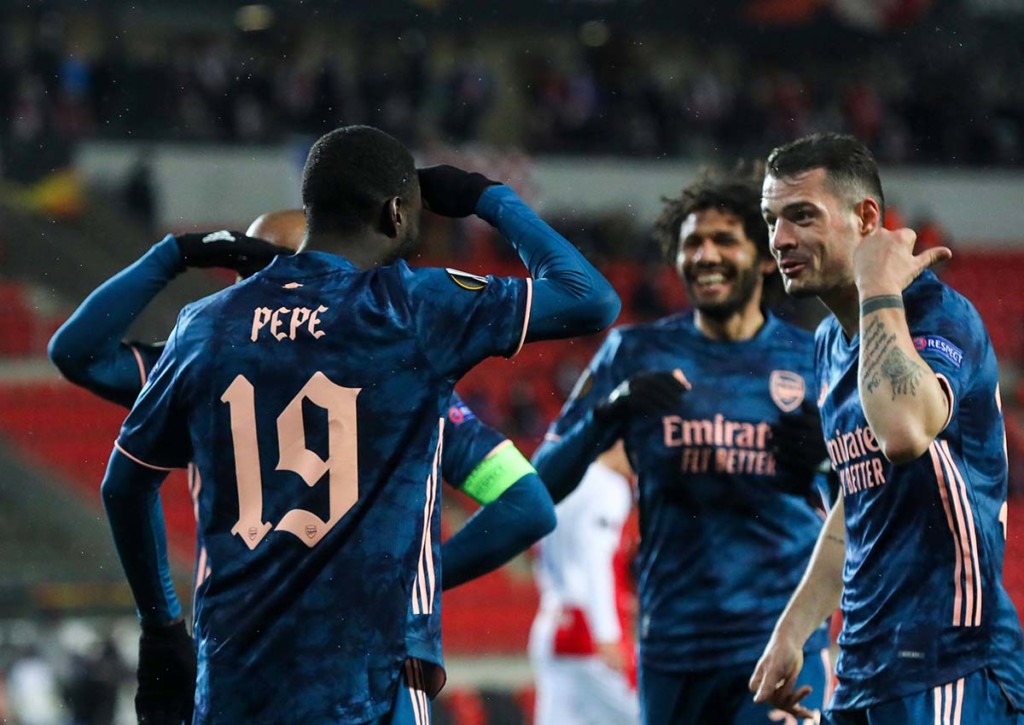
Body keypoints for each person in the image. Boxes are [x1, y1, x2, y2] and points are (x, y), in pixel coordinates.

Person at [96, 125, 621, 725]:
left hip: (235, 676)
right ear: (396, 214)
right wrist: (487, 197)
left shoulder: (204, 326)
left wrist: (162, 628)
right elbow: (590, 299)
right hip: (368, 677)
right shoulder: (414, 308)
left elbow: (124, 484)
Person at [532, 164, 832, 724]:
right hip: (673, 649)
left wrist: (830, 458)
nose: (705, 255)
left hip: (782, 641)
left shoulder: (816, 358)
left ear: (766, 258)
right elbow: (539, 484)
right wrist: (606, 416)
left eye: (724, 240)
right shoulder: (633, 354)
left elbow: (867, 499)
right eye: (692, 243)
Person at [750, 132, 1024, 724]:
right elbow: (858, 501)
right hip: (864, 669)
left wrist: (876, 283)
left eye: (802, 216)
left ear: (867, 219)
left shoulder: (937, 315)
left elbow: (902, 434)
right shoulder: (829, 341)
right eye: (772, 220)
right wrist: (794, 629)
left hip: (950, 662)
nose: (780, 239)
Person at [529, 441, 640, 725]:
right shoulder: (609, 486)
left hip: (553, 623)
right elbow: (595, 558)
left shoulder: (566, 477)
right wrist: (606, 632)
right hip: (587, 632)